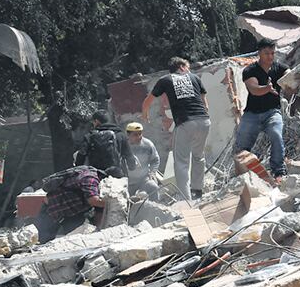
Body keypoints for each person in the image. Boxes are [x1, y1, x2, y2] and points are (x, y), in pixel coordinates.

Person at [142, 57, 211, 201]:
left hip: (186, 123)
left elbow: (148, 100)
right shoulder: (195, 78)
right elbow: (205, 103)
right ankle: (197, 191)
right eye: (187, 66)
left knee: (181, 162)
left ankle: (185, 198)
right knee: (199, 156)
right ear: (181, 66)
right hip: (204, 121)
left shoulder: (166, 80)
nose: (189, 69)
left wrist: (145, 113)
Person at [234, 38, 288, 178]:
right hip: (252, 113)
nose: (270, 56)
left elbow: (290, 76)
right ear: (259, 53)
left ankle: (278, 171)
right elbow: (254, 90)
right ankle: (242, 171)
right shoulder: (250, 70)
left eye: (272, 53)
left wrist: (294, 78)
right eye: (266, 53)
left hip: (272, 112)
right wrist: (267, 88)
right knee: (242, 143)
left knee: (276, 135)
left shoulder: (279, 67)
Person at [36, 166, 107, 244]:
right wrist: (113, 204)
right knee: (41, 240)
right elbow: (93, 200)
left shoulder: (101, 189)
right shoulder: (90, 178)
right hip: (53, 208)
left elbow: (98, 210)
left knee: (74, 241)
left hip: (72, 213)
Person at [75, 111, 137, 179]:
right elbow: (129, 155)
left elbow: (81, 155)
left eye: (93, 122)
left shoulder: (90, 136)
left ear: (96, 121)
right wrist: (132, 167)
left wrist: (78, 168)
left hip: (96, 176)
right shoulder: (120, 135)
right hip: (116, 175)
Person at [125, 122, 160, 198]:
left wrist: (152, 172)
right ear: (128, 135)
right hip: (127, 182)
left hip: (143, 180)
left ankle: (156, 208)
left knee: (153, 187)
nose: (139, 137)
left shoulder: (148, 145)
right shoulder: (124, 145)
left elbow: (155, 160)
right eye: (135, 135)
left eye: (140, 134)